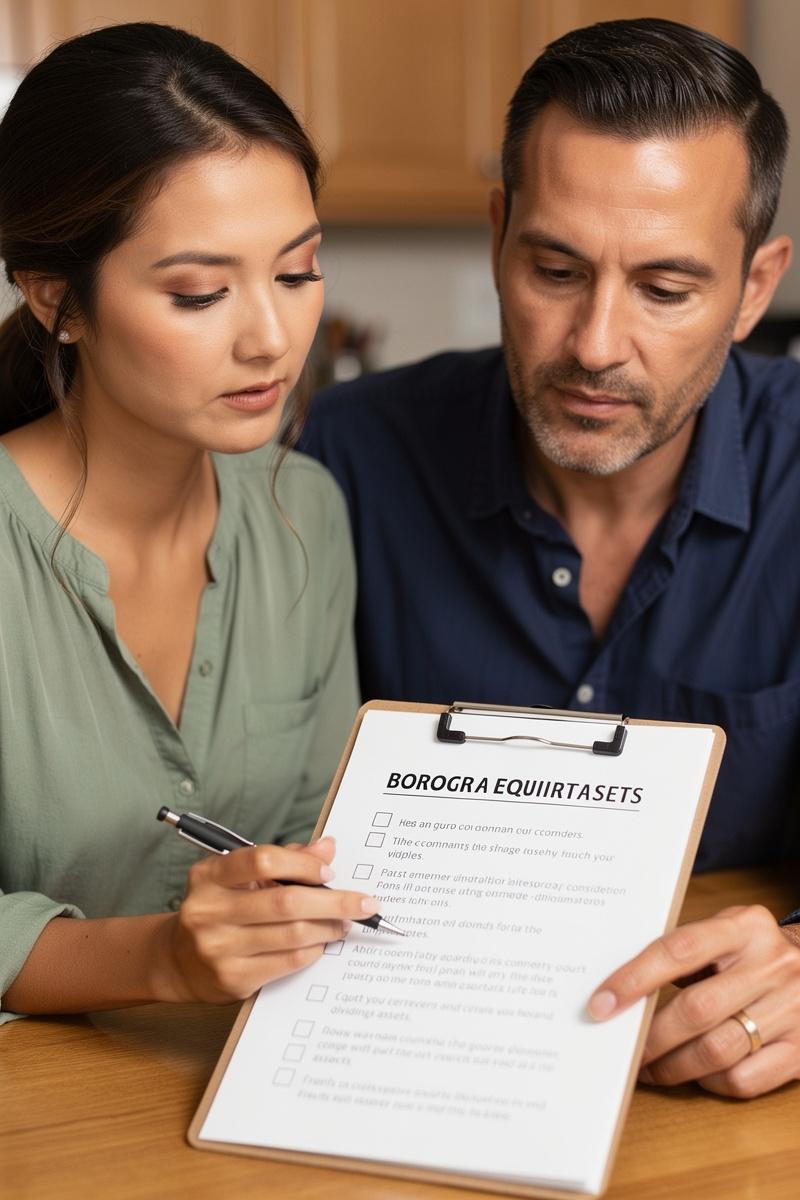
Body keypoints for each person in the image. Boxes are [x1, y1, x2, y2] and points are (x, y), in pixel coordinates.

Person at [301, 18, 800, 1097]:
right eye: (556, 269)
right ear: (498, 237)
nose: (594, 345)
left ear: (755, 288)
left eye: (665, 289)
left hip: (722, 1095)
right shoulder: (343, 459)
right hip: (416, 1061)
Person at [0, 22, 380, 1026]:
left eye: (296, 273)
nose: (272, 338)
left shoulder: (303, 515)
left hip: (239, 1075)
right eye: (200, 293)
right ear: (57, 299)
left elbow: (317, 841)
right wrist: (162, 960)